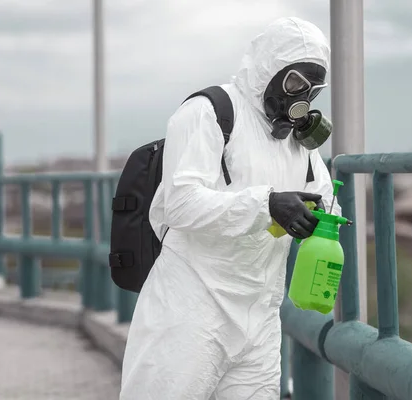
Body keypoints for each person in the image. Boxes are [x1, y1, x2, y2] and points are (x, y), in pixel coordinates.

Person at [119, 17, 340, 400]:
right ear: (269, 68)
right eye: (293, 83)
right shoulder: (209, 112)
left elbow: (326, 199)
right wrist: (267, 206)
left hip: (260, 319)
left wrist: (314, 218)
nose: (301, 98)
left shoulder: (299, 144)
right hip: (191, 310)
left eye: (312, 89)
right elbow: (181, 204)